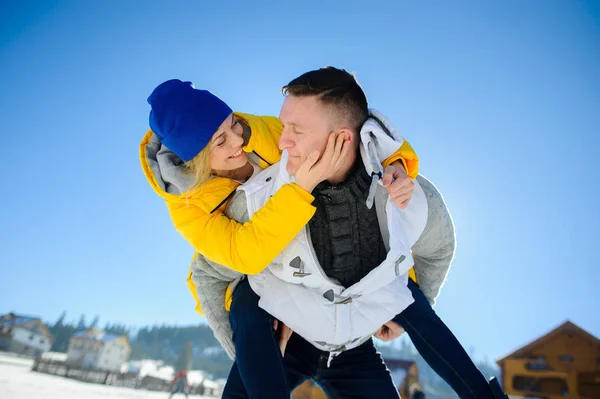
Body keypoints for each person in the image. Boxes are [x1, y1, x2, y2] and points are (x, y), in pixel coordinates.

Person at [192, 67, 509, 399]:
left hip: (352, 348)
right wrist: (247, 352)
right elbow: (208, 271)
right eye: (284, 126)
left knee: (404, 290)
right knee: (246, 296)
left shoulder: (402, 195)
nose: (281, 142)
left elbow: (438, 247)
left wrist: (410, 307)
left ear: (341, 138)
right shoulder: (265, 197)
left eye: (295, 130)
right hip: (289, 336)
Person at [140, 79, 419, 398]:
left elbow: (348, 135)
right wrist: (300, 189)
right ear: (196, 158)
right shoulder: (186, 205)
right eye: (221, 141)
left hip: (326, 289)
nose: (238, 141)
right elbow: (246, 255)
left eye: (233, 124)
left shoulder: (260, 131)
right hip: (265, 310)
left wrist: (395, 164)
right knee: (249, 305)